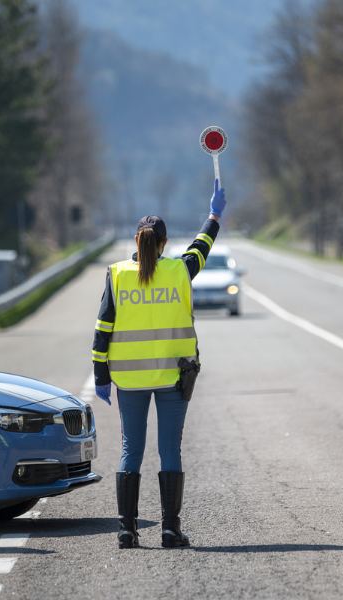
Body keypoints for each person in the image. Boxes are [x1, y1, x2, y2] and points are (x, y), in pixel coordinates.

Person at [92, 179, 226, 549]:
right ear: (164, 243)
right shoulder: (180, 270)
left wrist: (101, 376)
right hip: (172, 377)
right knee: (170, 449)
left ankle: (126, 531)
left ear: (137, 241)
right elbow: (202, 246)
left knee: (129, 450)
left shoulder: (117, 275)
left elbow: (102, 329)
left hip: (129, 380)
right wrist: (213, 215)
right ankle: (170, 530)